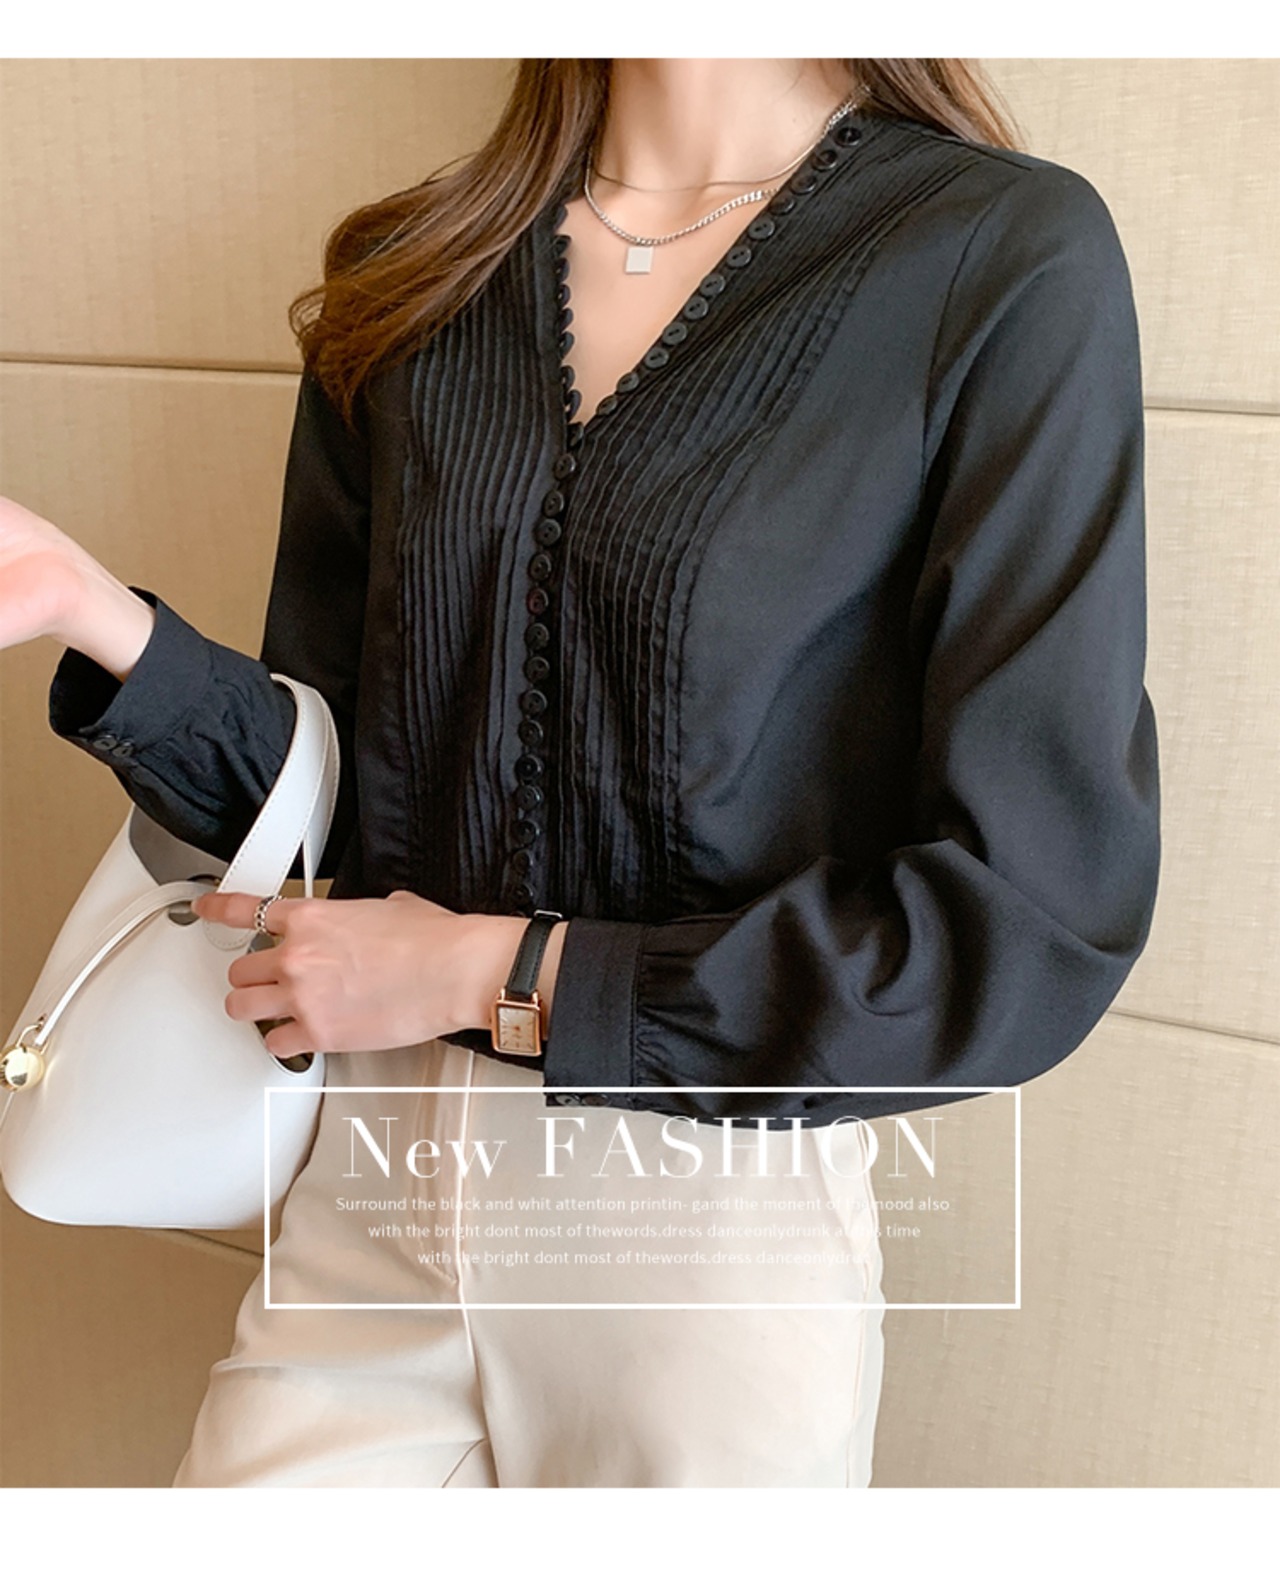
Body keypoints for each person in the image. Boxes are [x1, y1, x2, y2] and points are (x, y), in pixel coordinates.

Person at [0, 58, 1160, 1487]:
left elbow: (1030, 918)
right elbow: (343, 805)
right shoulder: (417, 266)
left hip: (702, 1232)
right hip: (372, 1182)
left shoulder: (998, 258)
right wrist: (93, 616)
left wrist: (494, 973)